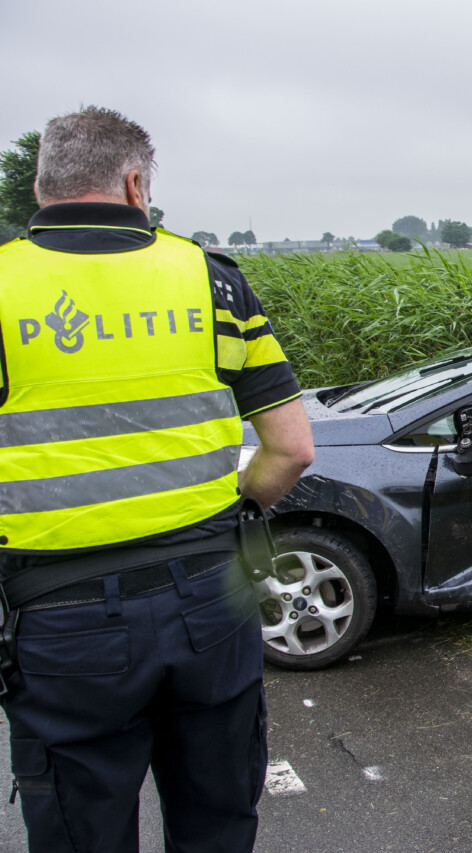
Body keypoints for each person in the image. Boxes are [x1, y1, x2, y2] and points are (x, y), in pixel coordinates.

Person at [0, 106, 314, 852]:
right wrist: (231, 518)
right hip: (211, 596)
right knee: (216, 819)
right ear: (135, 182)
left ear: (45, 182)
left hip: (59, 614)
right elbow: (291, 448)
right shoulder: (213, 281)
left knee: (84, 828)